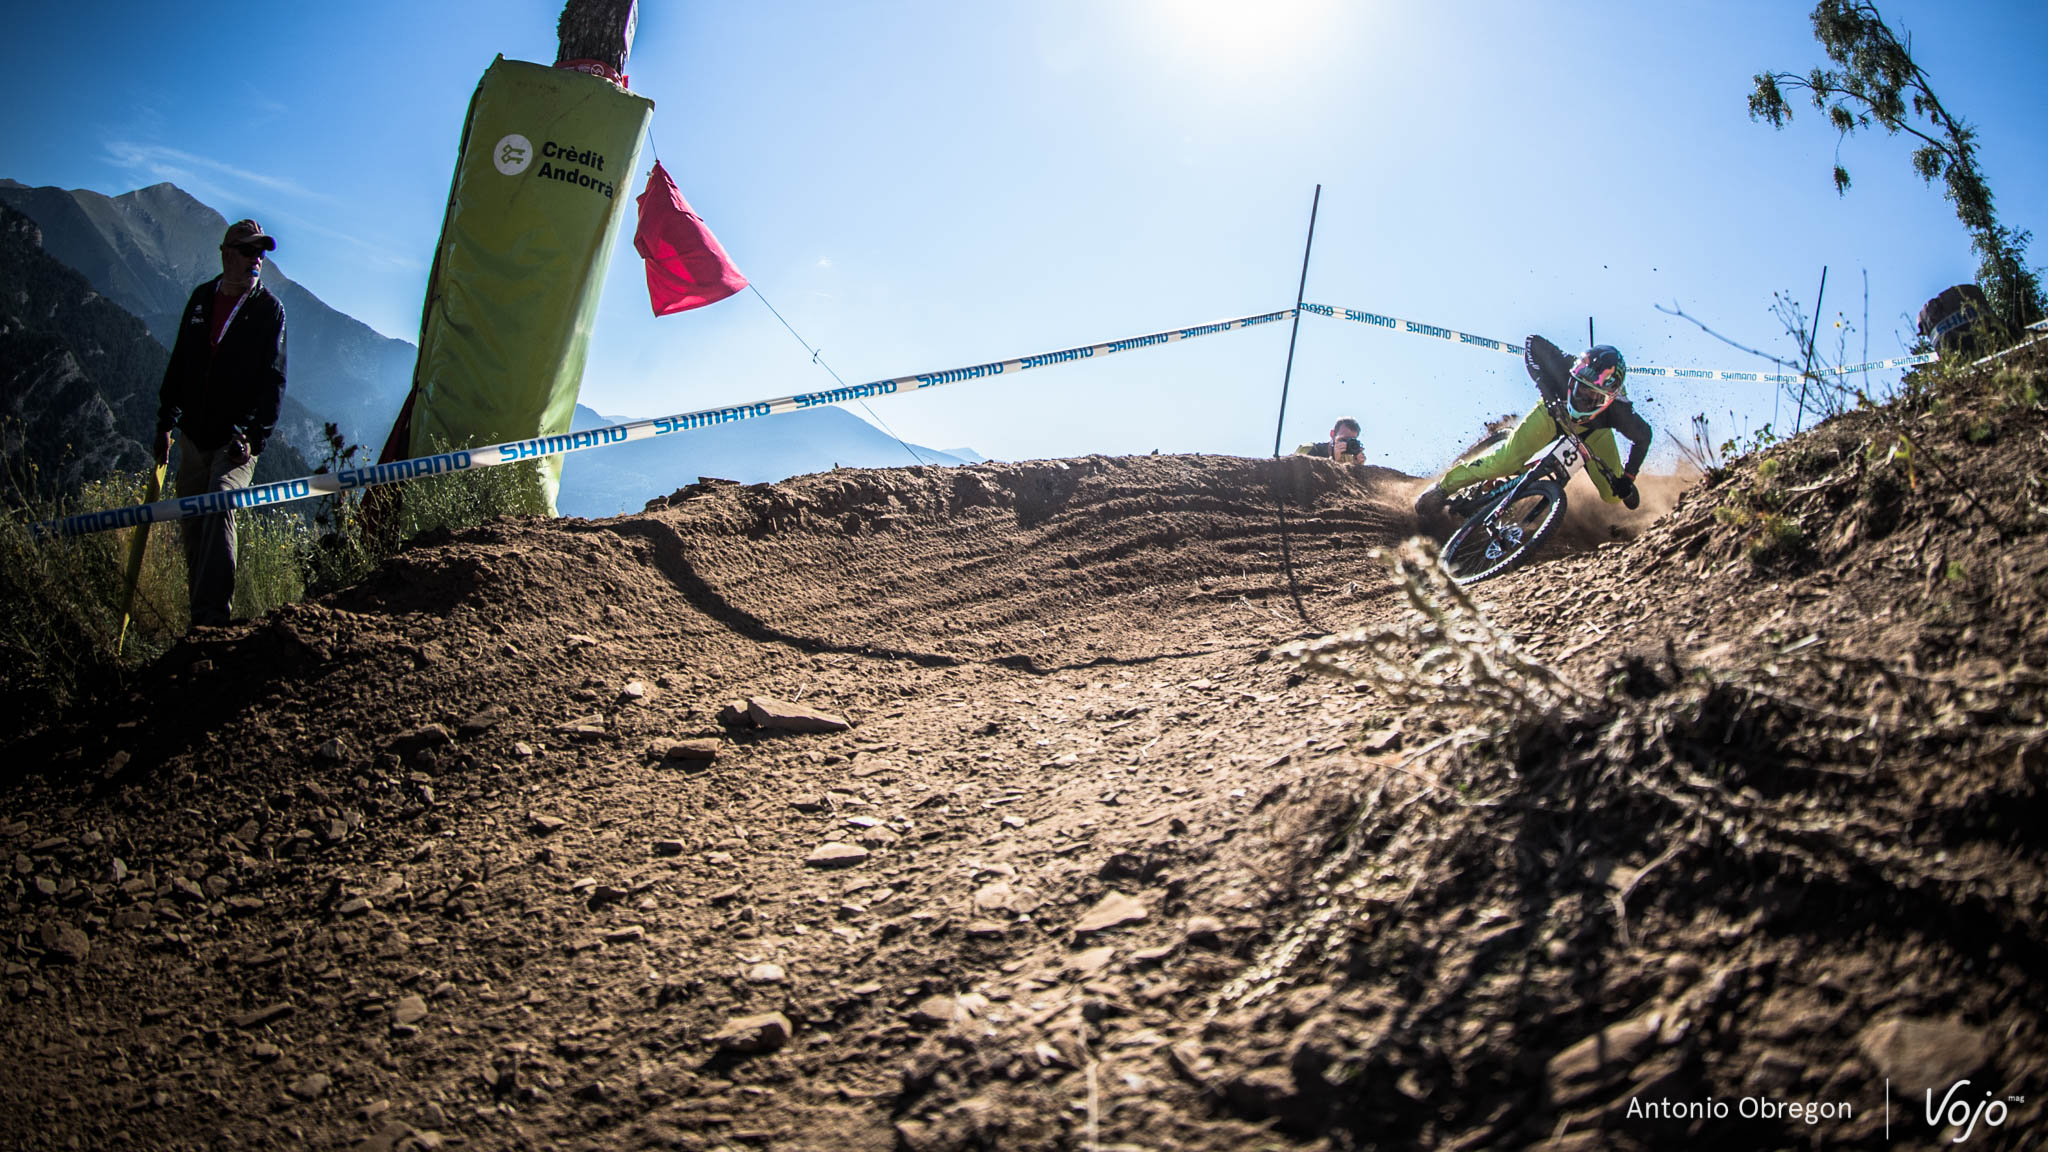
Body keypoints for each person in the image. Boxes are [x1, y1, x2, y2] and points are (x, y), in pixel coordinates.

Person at [154, 219, 288, 627]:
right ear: (227, 253)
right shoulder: (201, 300)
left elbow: (274, 381)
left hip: (236, 444)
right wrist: (166, 422)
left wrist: (252, 436)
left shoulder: (269, 310)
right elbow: (180, 363)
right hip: (194, 437)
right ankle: (199, 625)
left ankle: (214, 620)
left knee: (221, 502)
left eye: (261, 252)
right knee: (194, 527)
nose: (257, 259)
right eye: (248, 251)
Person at [1414, 337, 1650, 518]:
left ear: (1609, 399)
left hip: (1595, 434)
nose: (1584, 399)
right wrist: (1547, 393)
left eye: (1593, 398)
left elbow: (1643, 437)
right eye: (1580, 389)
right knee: (1506, 462)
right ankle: (1443, 487)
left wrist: (1628, 477)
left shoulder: (1621, 413)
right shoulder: (1564, 366)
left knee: (1612, 495)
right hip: (1553, 413)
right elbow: (1532, 343)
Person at [1296, 417, 1364, 463]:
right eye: (1343, 439)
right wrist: (1333, 460)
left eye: (1351, 441)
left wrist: (1358, 467)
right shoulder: (1308, 449)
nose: (1346, 444)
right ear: (1332, 434)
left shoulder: (1349, 460)